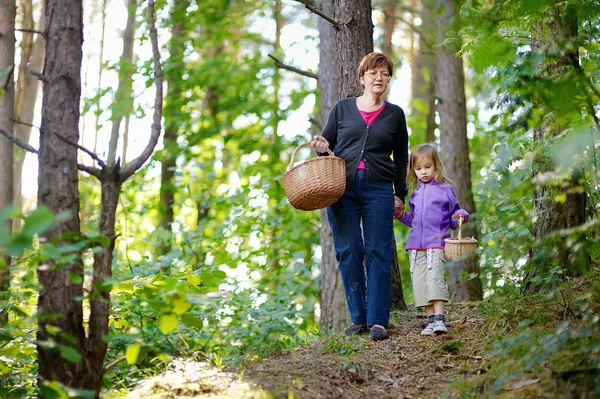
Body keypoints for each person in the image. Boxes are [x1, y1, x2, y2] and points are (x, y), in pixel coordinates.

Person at [309, 52, 409, 341]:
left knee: (379, 250)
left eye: (385, 74)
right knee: (349, 250)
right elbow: (325, 144)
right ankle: (358, 319)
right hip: (342, 188)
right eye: (373, 73)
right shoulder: (342, 109)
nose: (379, 79)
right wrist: (320, 144)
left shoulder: (395, 114)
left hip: (379, 189)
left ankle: (378, 320)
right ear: (362, 77)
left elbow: (401, 157)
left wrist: (399, 194)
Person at [397, 143, 469, 335]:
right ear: (413, 170)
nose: (423, 172)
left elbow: (455, 216)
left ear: (436, 165)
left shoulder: (445, 189)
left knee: (435, 278)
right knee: (420, 282)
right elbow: (414, 220)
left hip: (437, 243)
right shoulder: (415, 192)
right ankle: (430, 320)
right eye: (418, 168)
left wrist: (461, 215)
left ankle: (440, 319)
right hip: (415, 246)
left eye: (427, 167)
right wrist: (401, 215)